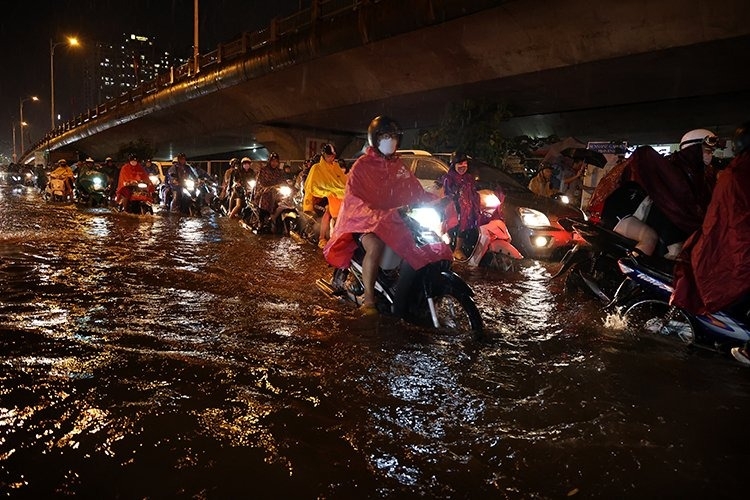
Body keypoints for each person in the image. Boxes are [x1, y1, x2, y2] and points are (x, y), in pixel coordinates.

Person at [323, 115, 452, 318]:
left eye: (393, 136)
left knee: (419, 241)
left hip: (392, 219)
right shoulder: (361, 166)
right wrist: (373, 213)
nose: (389, 140)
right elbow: (354, 197)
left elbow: (414, 190)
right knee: (375, 246)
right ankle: (369, 299)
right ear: (375, 138)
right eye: (384, 135)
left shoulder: (398, 167)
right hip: (364, 222)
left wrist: (437, 200)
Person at [667, 123, 750, 365]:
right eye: (706, 149)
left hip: (715, 234)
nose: (710, 155)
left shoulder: (717, 173)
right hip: (712, 237)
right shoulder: (679, 171)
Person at [303, 143, 348, 249]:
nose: (331, 158)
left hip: (335, 195)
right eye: (329, 156)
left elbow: (342, 181)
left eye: (333, 156)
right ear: (323, 155)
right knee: (327, 212)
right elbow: (311, 187)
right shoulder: (316, 168)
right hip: (319, 198)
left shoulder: (335, 166)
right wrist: (327, 192)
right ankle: (321, 238)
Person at [442, 151, 481, 260]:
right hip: (453, 208)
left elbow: (474, 191)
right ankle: (454, 250)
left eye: (465, 164)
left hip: (467, 208)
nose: (463, 166)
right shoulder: (448, 178)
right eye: (460, 164)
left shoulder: (468, 178)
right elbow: (448, 194)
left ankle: (461, 248)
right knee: (455, 225)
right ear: (454, 165)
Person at [253, 152, 288, 220]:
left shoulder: (280, 171)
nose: (274, 163)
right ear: (269, 161)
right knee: (265, 199)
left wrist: (291, 187)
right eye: (272, 161)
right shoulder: (263, 170)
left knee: (286, 200)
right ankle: (262, 222)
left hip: (277, 192)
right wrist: (267, 188)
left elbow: (283, 181)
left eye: (276, 161)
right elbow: (259, 183)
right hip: (264, 192)